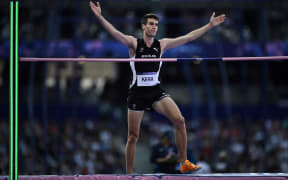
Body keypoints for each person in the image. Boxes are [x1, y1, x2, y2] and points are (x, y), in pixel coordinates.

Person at [89, 1, 226, 174]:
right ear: (143, 26)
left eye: (156, 24)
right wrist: (100, 17)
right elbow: (114, 33)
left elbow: (189, 37)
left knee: (180, 121)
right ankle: (128, 174)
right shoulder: (133, 43)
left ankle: (183, 162)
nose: (154, 27)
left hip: (155, 90)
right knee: (133, 136)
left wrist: (209, 25)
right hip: (137, 92)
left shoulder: (162, 45)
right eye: (151, 24)